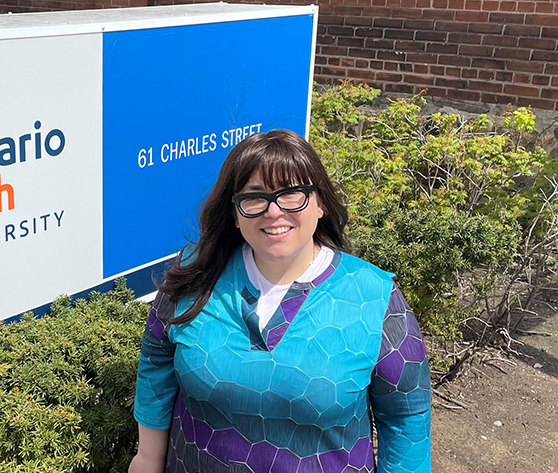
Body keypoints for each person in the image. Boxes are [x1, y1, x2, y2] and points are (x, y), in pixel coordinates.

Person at [130, 129, 431, 473]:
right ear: (234, 212)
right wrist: (148, 458)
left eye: (292, 195)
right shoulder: (195, 274)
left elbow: (406, 416)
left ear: (320, 204)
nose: (274, 212)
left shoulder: (373, 295)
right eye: (255, 197)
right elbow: (157, 360)